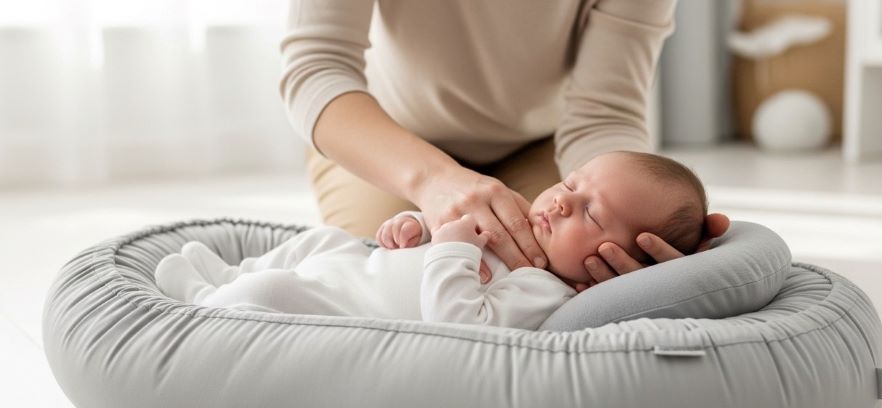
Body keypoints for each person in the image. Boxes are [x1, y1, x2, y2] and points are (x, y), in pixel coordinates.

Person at [280, 0, 730, 291]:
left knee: (571, 287)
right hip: (388, 137)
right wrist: (434, 180)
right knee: (379, 277)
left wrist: (648, 232)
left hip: (545, 145)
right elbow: (317, 68)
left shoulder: (570, 193)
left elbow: (603, 113)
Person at [154, 151, 708, 330]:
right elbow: (421, 249)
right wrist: (414, 229)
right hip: (361, 253)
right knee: (325, 238)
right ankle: (228, 276)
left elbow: (458, 324)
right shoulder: (517, 221)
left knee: (272, 291)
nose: (560, 201)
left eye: (590, 210)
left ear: (614, 263)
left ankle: (208, 302)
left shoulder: (545, 294)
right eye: (569, 183)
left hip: (341, 305)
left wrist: (450, 247)